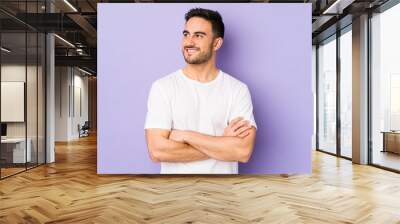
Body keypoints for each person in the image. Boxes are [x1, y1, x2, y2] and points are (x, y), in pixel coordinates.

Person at [144, 8, 257, 174]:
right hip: (174, 193)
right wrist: (222, 143)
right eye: (186, 34)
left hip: (223, 195)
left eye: (198, 35)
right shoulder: (163, 87)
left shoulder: (237, 90)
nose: (189, 42)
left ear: (216, 43)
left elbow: (242, 152)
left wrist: (186, 136)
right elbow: (157, 151)